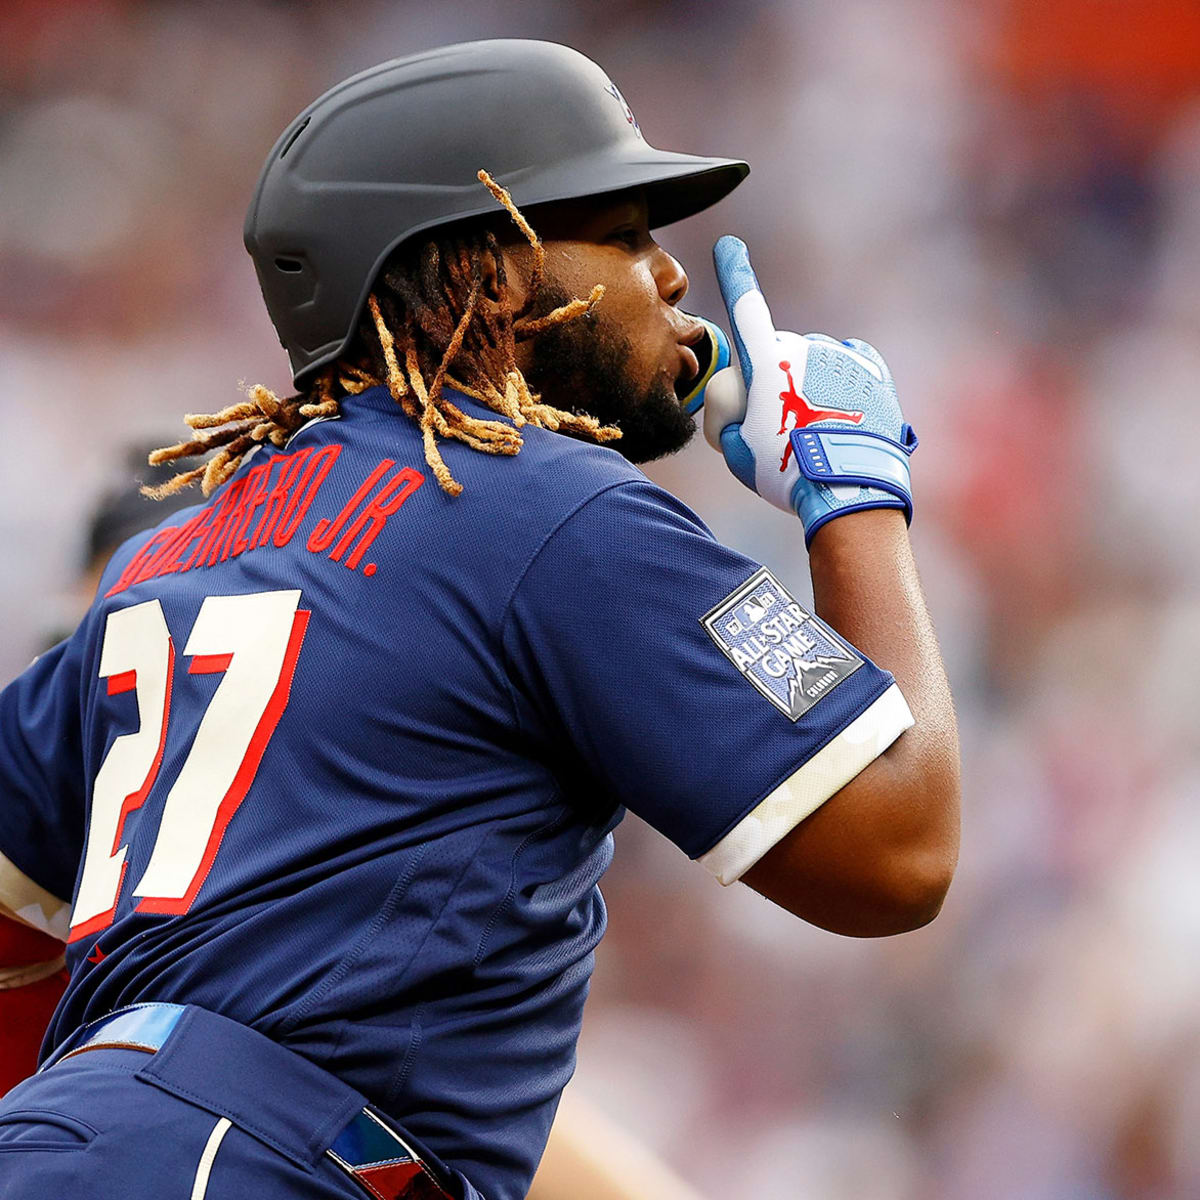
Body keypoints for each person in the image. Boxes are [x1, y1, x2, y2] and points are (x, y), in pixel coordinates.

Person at [0, 39, 960, 1200]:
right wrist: (854, 498)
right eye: (624, 232)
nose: (669, 279)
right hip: (250, 1163)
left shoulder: (181, 545)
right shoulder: (544, 506)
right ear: (494, 274)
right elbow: (896, 853)